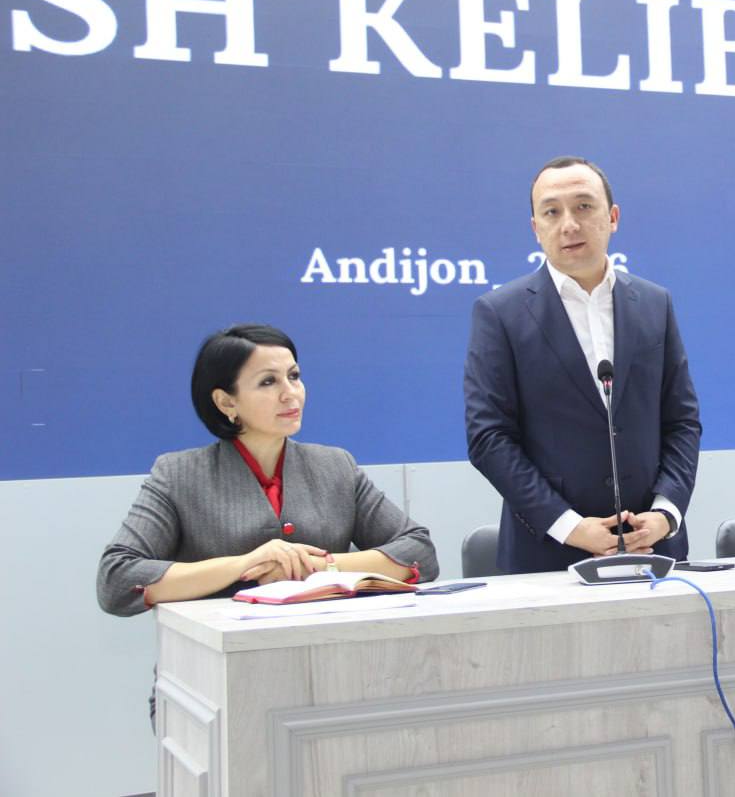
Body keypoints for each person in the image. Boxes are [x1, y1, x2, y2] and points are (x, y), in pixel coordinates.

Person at [98, 324, 439, 618]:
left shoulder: (336, 466)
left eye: (294, 376)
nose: (290, 394)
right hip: (218, 660)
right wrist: (247, 564)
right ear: (226, 402)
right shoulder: (178, 475)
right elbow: (117, 579)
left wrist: (320, 566)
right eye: (268, 382)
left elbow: (419, 552)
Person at [464, 156, 701, 573]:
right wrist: (569, 526)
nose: (569, 224)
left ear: (613, 217)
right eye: (552, 212)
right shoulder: (500, 313)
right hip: (549, 556)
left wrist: (665, 513)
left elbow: (682, 421)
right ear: (536, 229)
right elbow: (489, 437)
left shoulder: (654, 303)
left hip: (653, 548)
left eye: (583, 207)